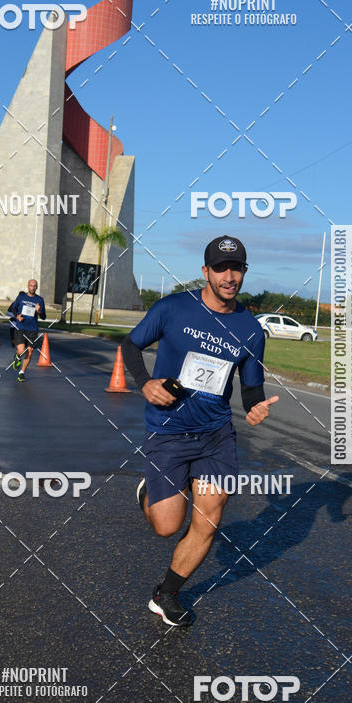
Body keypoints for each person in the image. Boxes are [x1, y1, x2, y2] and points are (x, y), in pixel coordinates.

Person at [121, 235, 278, 627]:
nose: (230, 276)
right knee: (167, 525)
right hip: (170, 431)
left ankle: (167, 594)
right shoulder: (173, 309)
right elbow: (131, 344)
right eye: (221, 268)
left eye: (237, 268)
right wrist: (144, 383)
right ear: (205, 271)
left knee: (209, 517)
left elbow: (251, 385)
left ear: (244, 272)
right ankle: (151, 493)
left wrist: (256, 406)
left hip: (215, 435)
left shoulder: (251, 330)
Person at [7, 280, 46, 382]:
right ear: (28, 286)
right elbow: (13, 308)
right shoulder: (21, 297)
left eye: (34, 286)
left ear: (36, 287)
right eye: (31, 286)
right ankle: (17, 356)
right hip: (20, 327)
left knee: (29, 352)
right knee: (21, 350)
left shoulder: (40, 300)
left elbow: (44, 317)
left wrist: (39, 311)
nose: (32, 288)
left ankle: (22, 373)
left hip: (32, 329)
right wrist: (17, 316)